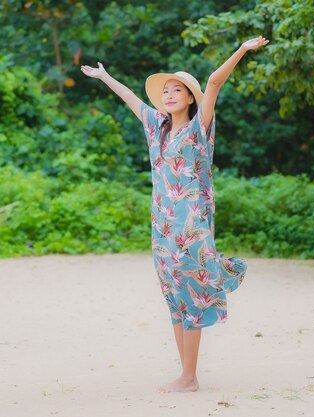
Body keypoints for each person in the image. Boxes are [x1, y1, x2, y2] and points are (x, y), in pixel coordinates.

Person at [81, 35, 269, 393]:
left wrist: (242, 51)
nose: (168, 95)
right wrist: (105, 77)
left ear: (189, 99)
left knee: (192, 293)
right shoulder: (156, 126)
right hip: (162, 226)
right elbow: (130, 99)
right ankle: (186, 374)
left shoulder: (200, 128)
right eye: (165, 90)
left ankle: (190, 377)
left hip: (193, 226)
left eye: (176, 90)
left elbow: (214, 81)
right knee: (173, 297)